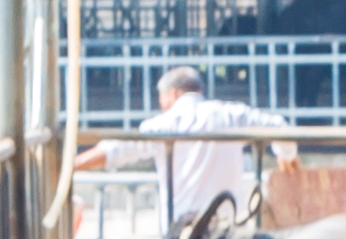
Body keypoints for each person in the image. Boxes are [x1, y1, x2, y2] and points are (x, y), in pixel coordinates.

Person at [117, 62, 294, 230]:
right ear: (199, 90)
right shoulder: (231, 114)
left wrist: (88, 159)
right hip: (230, 228)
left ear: (173, 94)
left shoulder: (162, 124)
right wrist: (286, 154)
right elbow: (279, 126)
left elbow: (116, 149)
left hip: (182, 230)